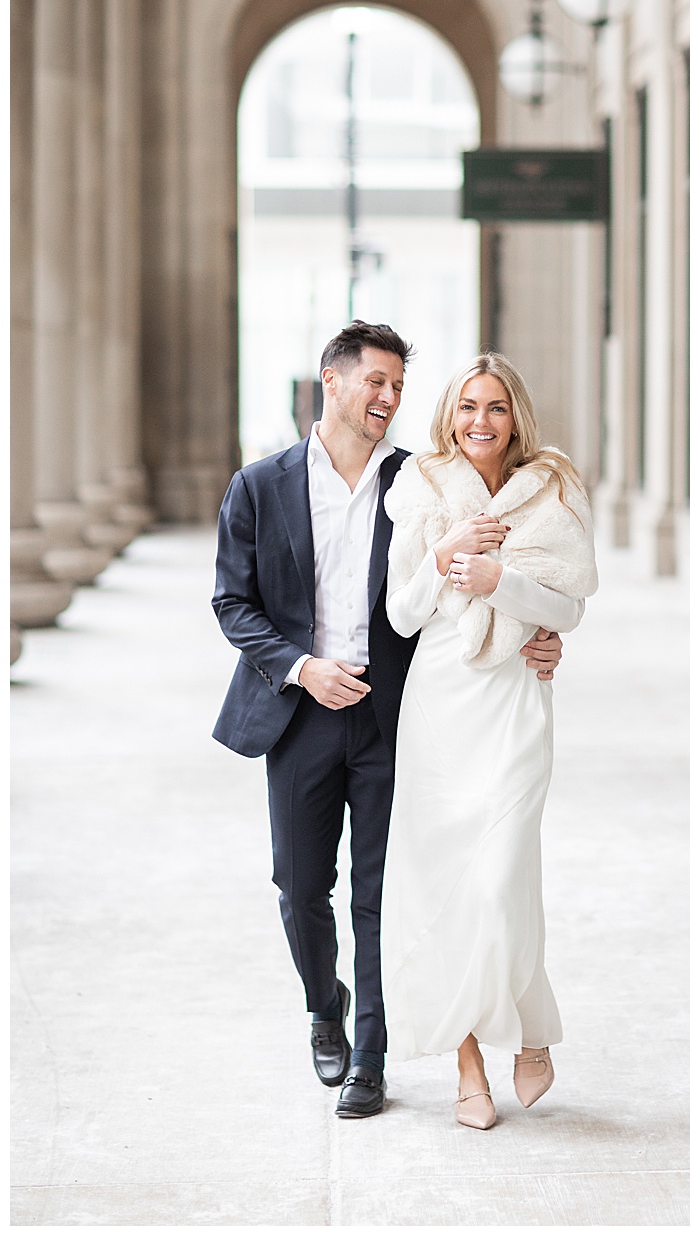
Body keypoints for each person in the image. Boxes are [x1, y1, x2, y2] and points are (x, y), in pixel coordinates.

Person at [211, 322, 565, 1119]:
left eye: (399, 387)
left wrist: (540, 636)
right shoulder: (260, 485)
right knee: (301, 887)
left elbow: (490, 580)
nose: (389, 399)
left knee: (380, 891)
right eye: (375, 382)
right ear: (330, 381)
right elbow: (233, 603)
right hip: (299, 711)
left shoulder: (421, 481)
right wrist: (303, 667)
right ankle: (322, 1005)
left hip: (395, 713)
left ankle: (369, 1056)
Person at [380, 353, 596, 1130]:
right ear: (449, 415)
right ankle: (469, 1061)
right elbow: (403, 615)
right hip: (439, 702)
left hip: (515, 698)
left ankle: (530, 1028)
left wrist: (500, 579)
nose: (481, 420)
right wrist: (445, 560)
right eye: (468, 405)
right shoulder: (423, 487)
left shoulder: (553, 487)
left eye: (496, 407)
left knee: (501, 881)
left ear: (517, 417)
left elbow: (568, 608)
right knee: (448, 888)